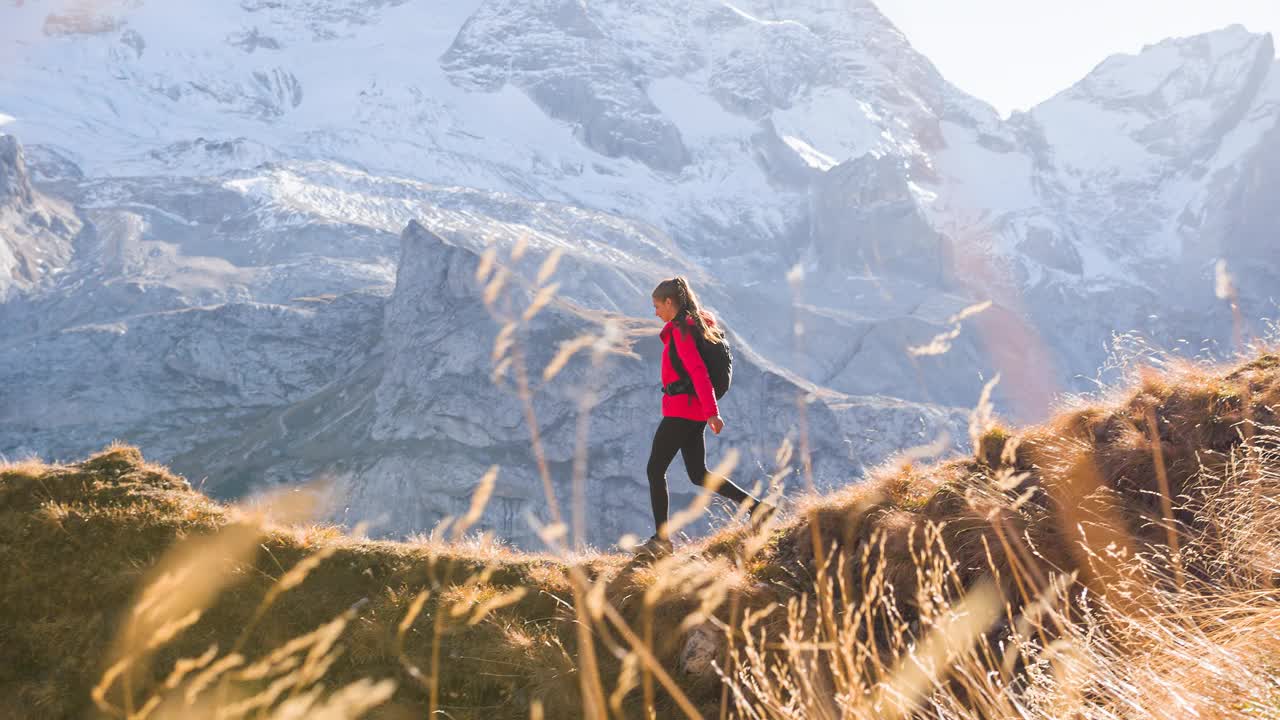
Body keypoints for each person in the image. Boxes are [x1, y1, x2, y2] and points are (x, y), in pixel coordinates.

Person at [637, 276, 770, 559]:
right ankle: (757, 508)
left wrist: (712, 412)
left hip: (683, 410)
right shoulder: (698, 323)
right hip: (693, 410)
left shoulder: (681, 331)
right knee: (698, 474)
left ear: (670, 302)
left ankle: (661, 541)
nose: (655, 312)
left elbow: (699, 372)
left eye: (657, 306)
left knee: (654, 469)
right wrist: (707, 411)